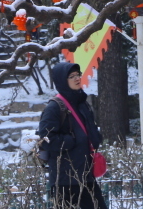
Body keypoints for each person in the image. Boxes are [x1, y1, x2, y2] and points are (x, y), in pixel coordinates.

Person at [37, 62, 108, 209]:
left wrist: (95, 137)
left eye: (78, 75)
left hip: (86, 176)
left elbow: (89, 131)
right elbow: (46, 139)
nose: (77, 78)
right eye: (71, 76)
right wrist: (71, 141)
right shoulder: (54, 107)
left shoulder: (81, 103)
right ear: (62, 80)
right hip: (66, 180)